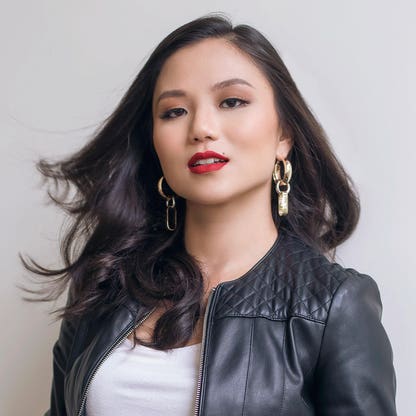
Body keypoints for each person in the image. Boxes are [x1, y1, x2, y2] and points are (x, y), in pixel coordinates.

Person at [21, 14, 397, 416]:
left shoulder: (333, 305)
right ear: (155, 144)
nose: (201, 127)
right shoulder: (104, 285)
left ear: (284, 134)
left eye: (232, 101)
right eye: (174, 111)